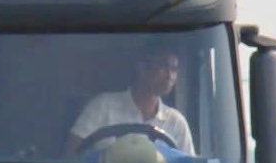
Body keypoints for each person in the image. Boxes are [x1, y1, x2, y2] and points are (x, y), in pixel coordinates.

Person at [65, 46, 193, 156]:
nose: (170, 76)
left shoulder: (176, 122)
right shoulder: (102, 106)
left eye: (174, 70)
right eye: (163, 67)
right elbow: (71, 156)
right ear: (142, 68)